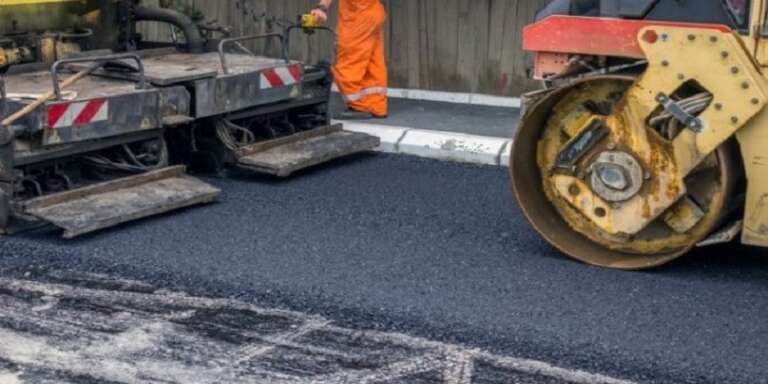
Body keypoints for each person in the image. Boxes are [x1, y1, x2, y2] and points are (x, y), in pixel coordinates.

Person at [311, 0, 388, 120]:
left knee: (348, 63)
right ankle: (377, 106)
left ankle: (360, 106)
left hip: (358, 16)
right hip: (373, 12)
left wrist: (321, 8)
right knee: (372, 62)